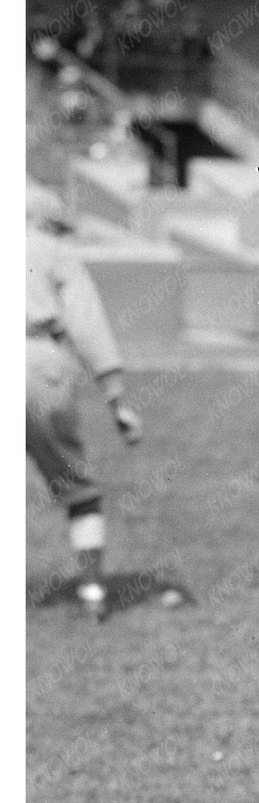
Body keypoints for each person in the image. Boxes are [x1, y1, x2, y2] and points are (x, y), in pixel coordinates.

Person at [26, 182, 143, 620]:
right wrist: (117, 400)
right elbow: (87, 325)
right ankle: (93, 592)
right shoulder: (54, 251)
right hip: (40, 363)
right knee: (77, 488)